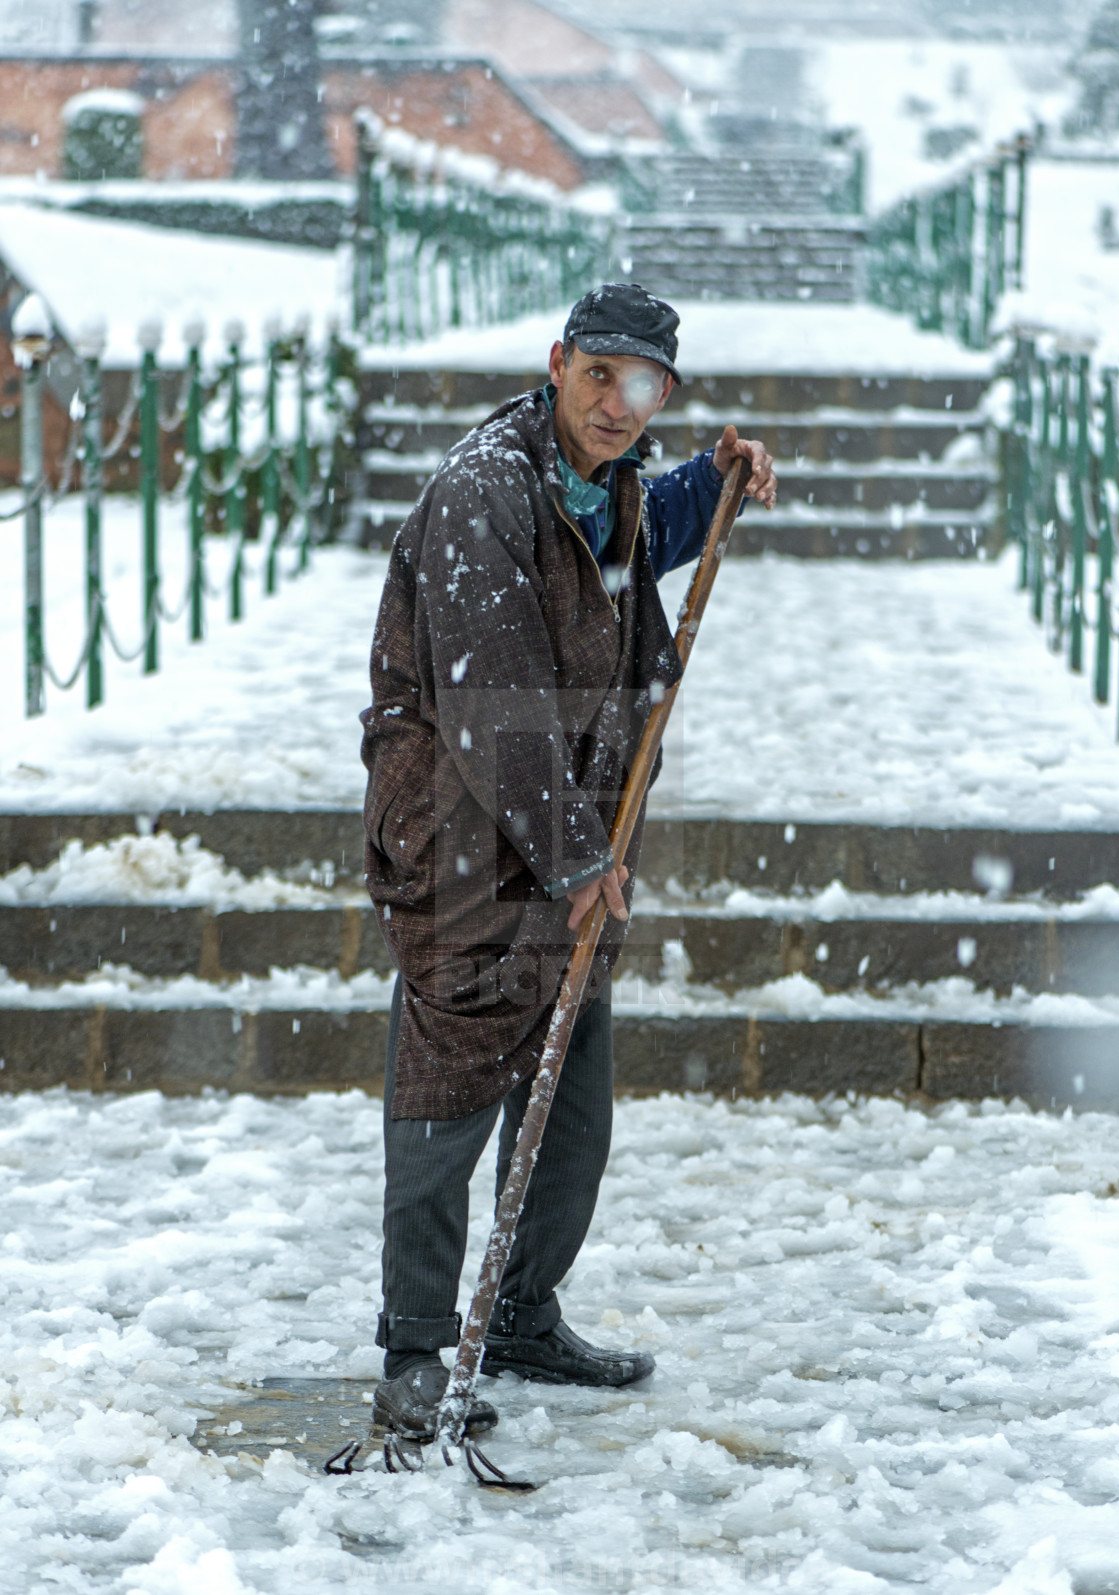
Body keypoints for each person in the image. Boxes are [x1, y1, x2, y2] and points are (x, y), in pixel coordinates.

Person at [359, 282, 778, 1442]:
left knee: (571, 1085)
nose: (614, 399)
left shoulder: (608, 478)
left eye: (640, 384)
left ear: (663, 395)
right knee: (449, 1090)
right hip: (459, 827)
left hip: (566, 823)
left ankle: (521, 1313)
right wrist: (577, 856)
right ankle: (414, 1348)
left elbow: (628, 538)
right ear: (556, 362)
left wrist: (718, 474)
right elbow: (494, 703)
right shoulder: (483, 493)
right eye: (597, 373)